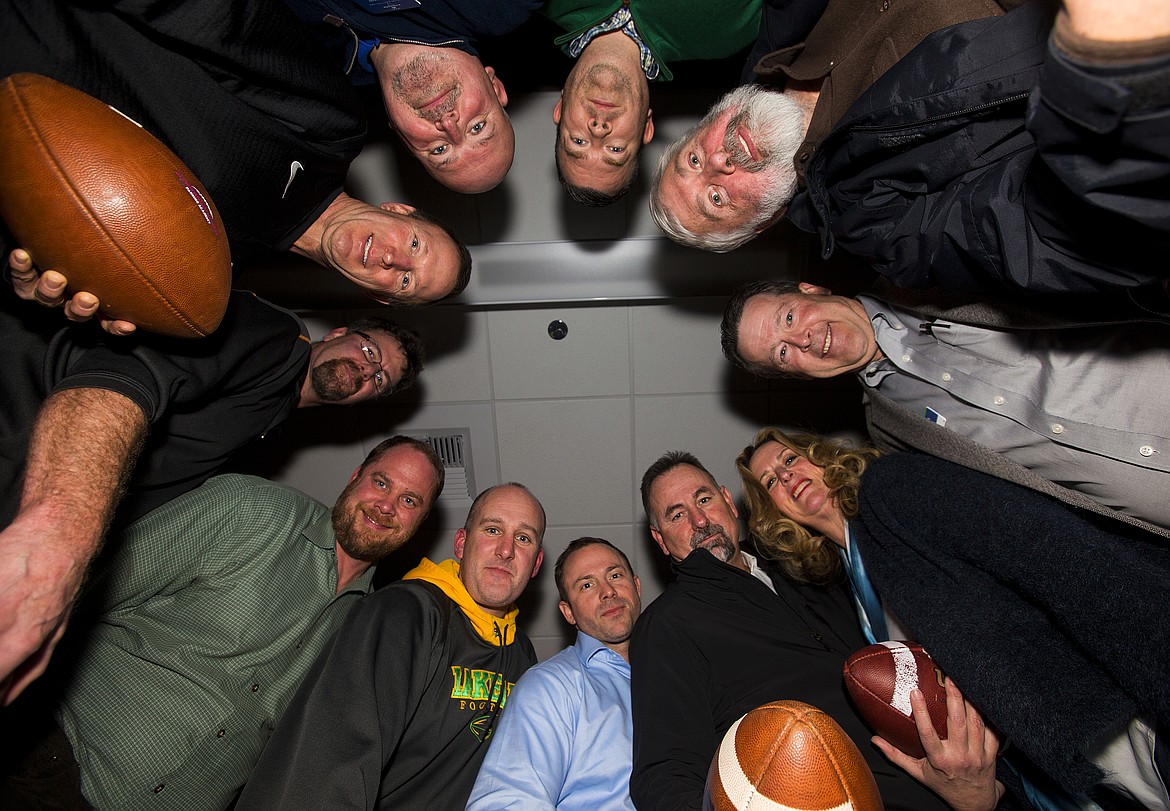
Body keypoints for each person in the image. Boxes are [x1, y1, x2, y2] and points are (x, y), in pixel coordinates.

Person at [0, 280, 424, 703]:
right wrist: (57, 534)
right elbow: (131, 370)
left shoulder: (270, 425)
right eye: (369, 352)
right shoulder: (278, 338)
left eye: (379, 379)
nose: (368, 370)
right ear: (337, 334)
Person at [0, 436, 445, 811]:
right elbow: (84, 590)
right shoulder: (250, 510)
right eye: (381, 482)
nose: (387, 506)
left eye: (409, 501)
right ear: (354, 478)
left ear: (418, 524)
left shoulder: (365, 626)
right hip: (52, 764)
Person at [736, 428, 1170, 808]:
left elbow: (1057, 555)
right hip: (1081, 775)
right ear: (775, 513)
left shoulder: (894, 490)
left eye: (789, 459)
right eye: (771, 481)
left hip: (1126, 715)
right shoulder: (855, 588)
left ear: (819, 455)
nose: (787, 476)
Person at [651, 0, 1170, 299]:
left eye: (694, 160)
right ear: (764, 221)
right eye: (717, 200)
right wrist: (1118, 71)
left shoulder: (778, 36)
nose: (719, 163)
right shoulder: (881, 226)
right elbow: (1036, 237)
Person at [3, 0, 472, 324]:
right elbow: (221, 20)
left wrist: (30, 279)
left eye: (405, 281)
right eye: (414, 245)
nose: (393, 260)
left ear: (375, 294)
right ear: (398, 210)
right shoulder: (333, 130)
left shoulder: (209, 273)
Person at [630, 451, 996, 811]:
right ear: (660, 540)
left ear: (728, 501)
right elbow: (665, 773)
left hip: (957, 783)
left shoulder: (802, 564)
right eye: (676, 515)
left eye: (704, 499)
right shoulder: (667, 625)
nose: (699, 521)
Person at [720, 279, 1170, 536]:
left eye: (789, 318)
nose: (801, 340)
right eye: (782, 354)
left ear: (810, 289)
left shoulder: (926, 271)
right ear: (794, 375)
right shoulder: (891, 433)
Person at [237, 482, 547, 810]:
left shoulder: (523, 656)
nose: (506, 550)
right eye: (493, 529)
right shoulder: (404, 613)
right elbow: (333, 756)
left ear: (536, 564)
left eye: (523, 537)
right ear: (461, 543)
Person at [284, 0, 542, 194]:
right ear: (495, 87)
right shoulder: (499, 6)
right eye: (477, 127)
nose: (449, 125)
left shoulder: (296, 75)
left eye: (439, 149)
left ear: (402, 137)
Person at [467, 536, 642, 810]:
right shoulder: (549, 687)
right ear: (568, 612)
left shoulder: (682, 676)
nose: (607, 591)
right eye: (587, 585)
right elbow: (506, 802)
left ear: (637, 587)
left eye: (615, 575)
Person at [542, 0, 765, 206]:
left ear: (560, 110)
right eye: (615, 149)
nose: (598, 131)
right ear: (647, 128)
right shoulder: (727, 34)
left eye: (579, 141)